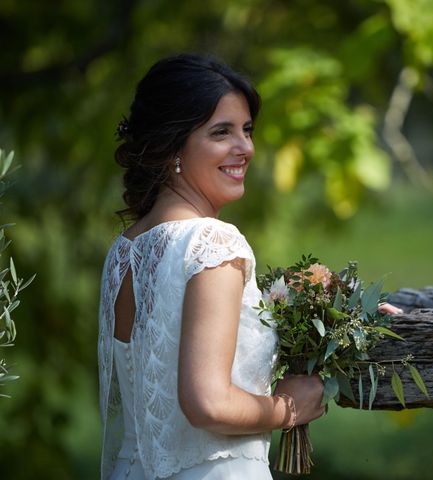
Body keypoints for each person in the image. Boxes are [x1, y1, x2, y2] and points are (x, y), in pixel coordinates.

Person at [98, 53, 402, 480]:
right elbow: (206, 403)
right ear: (172, 148)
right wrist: (289, 408)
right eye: (221, 132)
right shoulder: (213, 243)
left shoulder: (126, 251)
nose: (245, 148)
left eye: (246, 130)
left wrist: (335, 312)